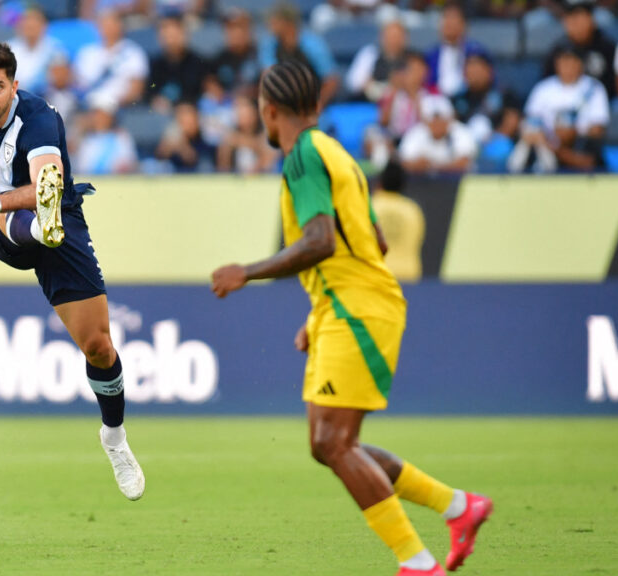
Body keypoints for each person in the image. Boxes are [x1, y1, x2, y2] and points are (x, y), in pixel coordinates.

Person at [210, 60, 492, 576]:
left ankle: (417, 561)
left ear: (268, 112)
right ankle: (458, 507)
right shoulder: (337, 153)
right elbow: (372, 241)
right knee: (335, 445)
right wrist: (321, 310)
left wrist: (246, 272)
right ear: (316, 106)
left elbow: (320, 240)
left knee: (331, 443)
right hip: (348, 305)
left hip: (358, 309)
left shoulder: (300, 158)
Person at [0, 43, 145, 500]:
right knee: (22, 220)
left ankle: (113, 438)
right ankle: (38, 229)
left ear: (14, 86)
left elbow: (44, 181)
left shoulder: (39, 119)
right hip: (5, 229)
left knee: (98, 346)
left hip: (52, 216)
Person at [260, 3, 339, 109]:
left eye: (275, 21)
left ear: (288, 23)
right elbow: (268, 76)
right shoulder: (270, 44)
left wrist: (318, 105)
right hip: (284, 103)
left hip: (313, 102)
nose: (270, 25)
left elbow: (331, 80)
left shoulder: (312, 44)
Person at [543, 0, 616, 99]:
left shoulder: (607, 48)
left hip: (604, 104)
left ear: (591, 19)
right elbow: (547, 87)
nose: (574, 24)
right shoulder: (558, 52)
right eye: (570, 18)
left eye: (578, 17)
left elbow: (616, 86)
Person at [398, 94, 477, 174]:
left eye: (441, 119)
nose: (437, 124)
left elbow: (463, 163)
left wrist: (431, 167)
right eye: (433, 120)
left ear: (449, 119)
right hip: (424, 184)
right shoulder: (416, 133)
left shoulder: (461, 132)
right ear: (426, 121)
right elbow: (405, 162)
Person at [424, 3, 489, 97]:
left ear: (464, 25)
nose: (449, 23)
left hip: (470, 101)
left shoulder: (477, 52)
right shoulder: (430, 54)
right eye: (446, 18)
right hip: (437, 102)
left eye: (454, 18)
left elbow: (489, 82)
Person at [148, 10, 207, 112]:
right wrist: (155, 100)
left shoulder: (199, 64)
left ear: (184, 34)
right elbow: (149, 91)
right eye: (167, 34)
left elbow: (200, 94)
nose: (171, 40)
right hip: (162, 115)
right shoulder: (154, 65)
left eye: (174, 34)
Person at [346, 20, 411, 103]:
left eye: (397, 37)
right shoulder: (370, 54)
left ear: (405, 39)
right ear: (381, 37)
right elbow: (353, 83)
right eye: (390, 36)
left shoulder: (412, 60)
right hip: (369, 106)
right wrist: (377, 89)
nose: (393, 41)